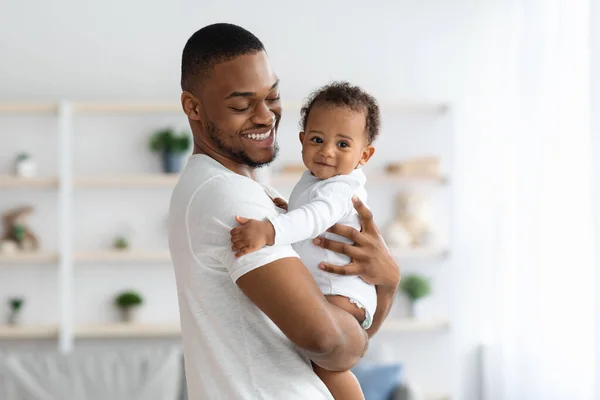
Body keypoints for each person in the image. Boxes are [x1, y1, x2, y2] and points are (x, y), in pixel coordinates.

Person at [168, 22, 400, 400]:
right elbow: (327, 342)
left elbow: (336, 348)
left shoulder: (254, 195)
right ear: (193, 107)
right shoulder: (229, 199)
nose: (265, 116)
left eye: (272, 96)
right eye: (242, 105)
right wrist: (386, 288)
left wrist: (384, 287)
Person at [230, 81, 381, 399]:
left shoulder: (342, 187)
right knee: (312, 366)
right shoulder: (317, 179)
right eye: (317, 139)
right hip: (330, 292)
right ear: (302, 140)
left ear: (364, 155)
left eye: (342, 145)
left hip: (340, 295)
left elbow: (315, 217)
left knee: (328, 367)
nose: (326, 151)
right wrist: (290, 210)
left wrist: (270, 230)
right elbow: (310, 213)